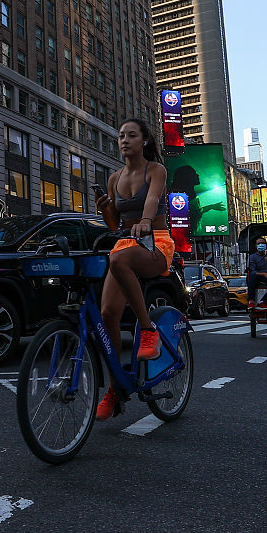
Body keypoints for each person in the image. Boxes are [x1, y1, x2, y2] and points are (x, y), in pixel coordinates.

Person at [93, 118, 174, 421]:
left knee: (118, 260)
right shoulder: (114, 178)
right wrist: (105, 208)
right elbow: (115, 225)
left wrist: (143, 220)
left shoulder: (155, 170)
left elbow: (151, 201)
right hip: (125, 246)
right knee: (107, 315)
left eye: (131, 135)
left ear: (144, 141)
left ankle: (148, 330)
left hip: (157, 243)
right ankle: (116, 387)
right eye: (121, 136)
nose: (124, 140)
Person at [246, 238, 267, 309]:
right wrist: (263, 274)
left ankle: (264, 301)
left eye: (262, 243)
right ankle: (251, 301)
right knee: (252, 276)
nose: (261, 245)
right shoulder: (252, 257)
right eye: (258, 244)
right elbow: (253, 270)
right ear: (256, 246)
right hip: (259, 275)